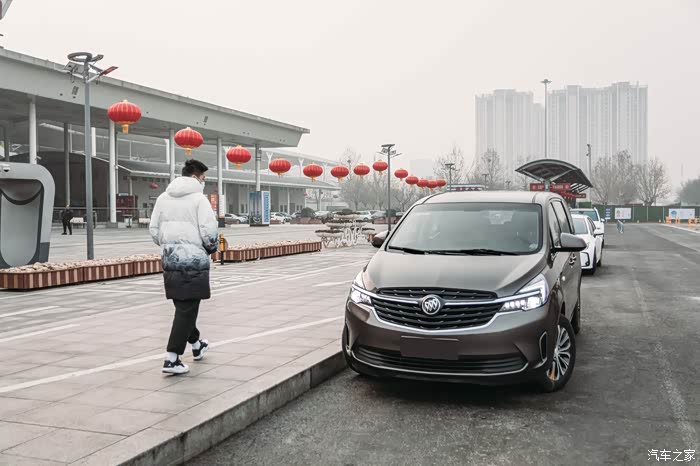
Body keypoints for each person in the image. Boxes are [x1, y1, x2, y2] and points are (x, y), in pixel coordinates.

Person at [149, 159, 219, 375]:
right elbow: (209, 232)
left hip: (171, 260)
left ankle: (197, 344)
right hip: (193, 261)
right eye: (204, 178)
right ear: (196, 176)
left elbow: (154, 230)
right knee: (187, 308)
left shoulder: (163, 198)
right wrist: (210, 248)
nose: (204, 182)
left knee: (183, 305)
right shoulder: (199, 200)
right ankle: (172, 358)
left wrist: (170, 246)